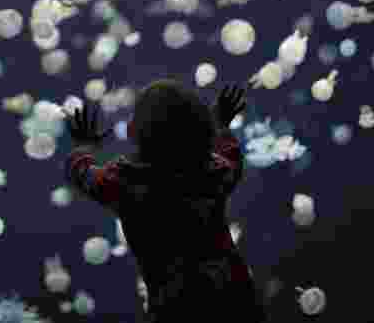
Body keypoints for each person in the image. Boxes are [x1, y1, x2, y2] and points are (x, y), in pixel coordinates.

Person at [64, 79, 266, 322]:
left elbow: (82, 173)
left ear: (131, 131)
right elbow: (232, 157)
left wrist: (82, 147)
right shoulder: (215, 172)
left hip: (173, 307)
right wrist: (221, 126)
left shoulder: (124, 182)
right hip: (236, 300)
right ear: (202, 129)